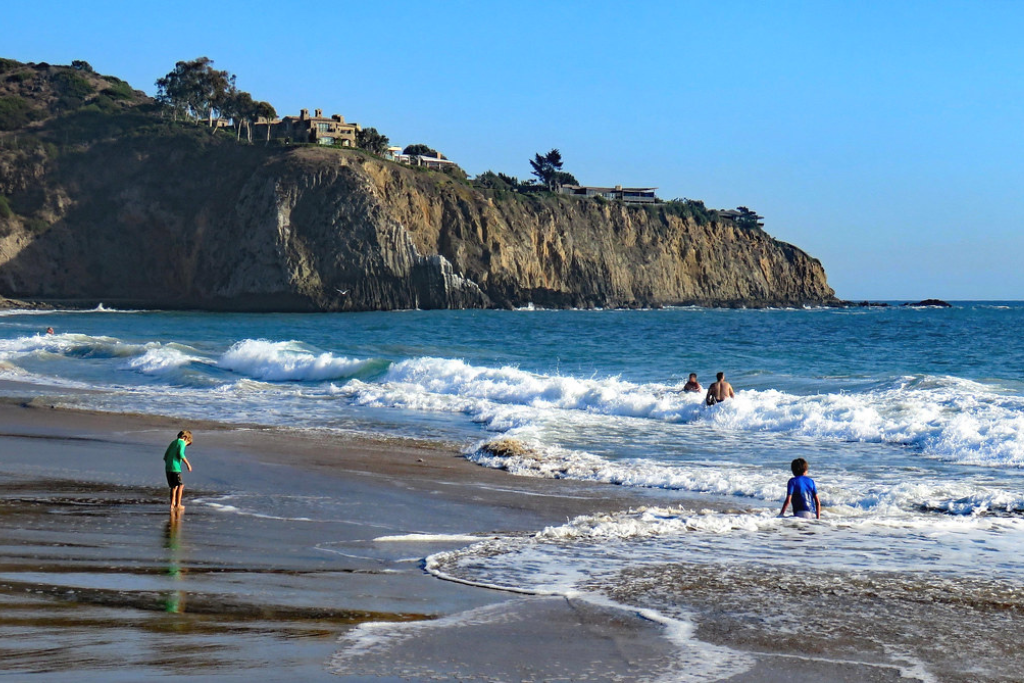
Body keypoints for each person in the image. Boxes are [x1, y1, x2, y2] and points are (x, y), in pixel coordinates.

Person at [163, 430, 193, 514]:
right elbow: (181, 454)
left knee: (173, 486)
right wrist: (188, 464)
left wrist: (169, 463)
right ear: (185, 438)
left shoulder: (173, 442)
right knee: (180, 485)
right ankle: (178, 504)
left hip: (168, 467)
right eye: (187, 444)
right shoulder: (181, 443)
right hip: (175, 468)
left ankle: (172, 504)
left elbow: (165, 456)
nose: (186, 446)